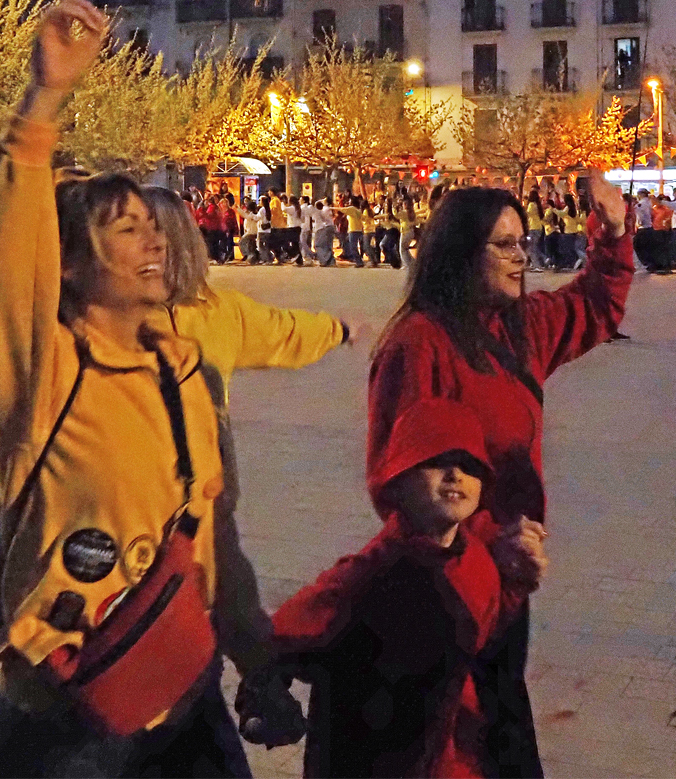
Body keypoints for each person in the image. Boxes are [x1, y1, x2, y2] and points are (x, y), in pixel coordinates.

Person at [0, 0, 250, 776]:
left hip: (184, 687)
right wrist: (43, 97)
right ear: (73, 267)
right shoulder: (43, 369)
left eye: (153, 226)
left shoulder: (180, 370)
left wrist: (253, 653)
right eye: (127, 229)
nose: (155, 241)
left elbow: (211, 537)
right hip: (74, 705)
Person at [368, 175, 632, 776]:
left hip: (508, 583)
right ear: (462, 252)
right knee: (466, 741)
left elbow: (593, 306)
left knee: (504, 724)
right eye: (504, 245)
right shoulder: (419, 344)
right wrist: (484, 538)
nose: (522, 258)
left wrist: (613, 234)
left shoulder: (518, 327)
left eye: (523, 242)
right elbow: (397, 476)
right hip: (447, 586)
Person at [242, 400, 536, 777]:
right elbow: (277, 638)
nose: (455, 475)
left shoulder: (476, 561)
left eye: (469, 465)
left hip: (447, 761)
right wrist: (264, 701)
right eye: (434, 461)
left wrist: (516, 584)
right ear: (398, 482)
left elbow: (482, 637)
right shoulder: (366, 577)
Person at [139, 187, 357, 688]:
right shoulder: (210, 312)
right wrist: (338, 330)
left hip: (193, 489)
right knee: (225, 592)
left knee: (221, 594)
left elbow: (285, 330)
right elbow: (285, 331)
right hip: (183, 491)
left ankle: (251, 686)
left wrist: (335, 330)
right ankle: (260, 688)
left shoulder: (204, 313)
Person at [313, 197, 337, 267]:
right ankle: (331, 261)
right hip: (330, 226)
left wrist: (320, 201)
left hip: (326, 227)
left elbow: (323, 218)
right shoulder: (329, 208)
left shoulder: (324, 209)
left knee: (321, 245)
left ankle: (324, 260)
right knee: (328, 245)